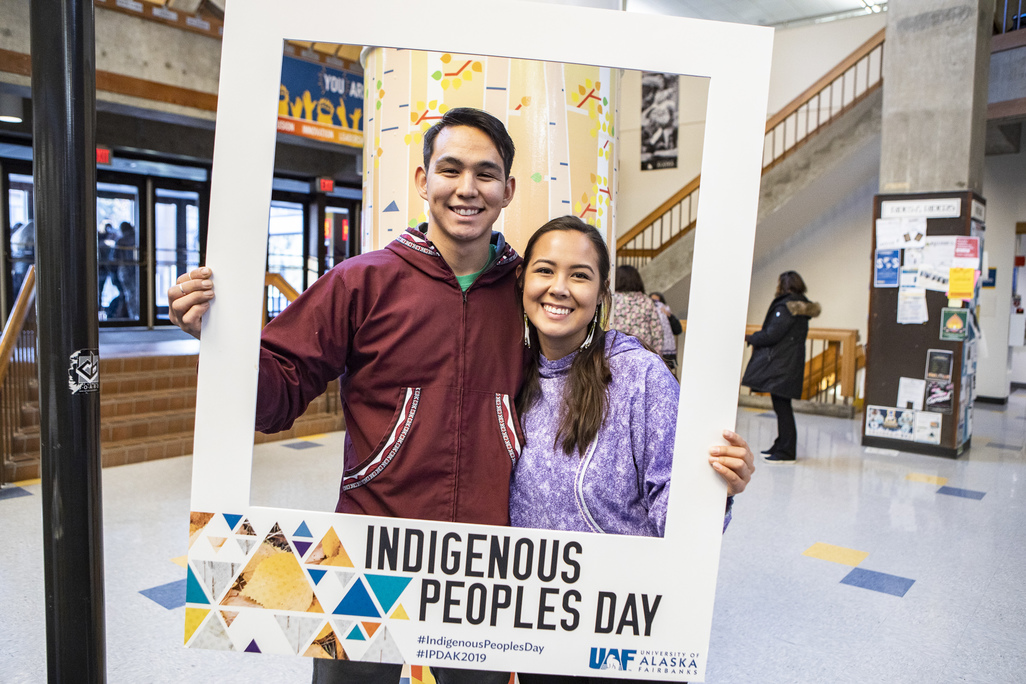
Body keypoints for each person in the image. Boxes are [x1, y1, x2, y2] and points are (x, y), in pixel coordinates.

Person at [169, 107, 523, 684]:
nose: (466, 189)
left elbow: (591, 397)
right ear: (421, 180)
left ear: (507, 189)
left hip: (484, 563)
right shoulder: (363, 282)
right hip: (366, 547)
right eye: (450, 169)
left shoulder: (529, 294)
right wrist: (220, 338)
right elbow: (277, 394)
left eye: (485, 174)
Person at [509, 217, 754, 683]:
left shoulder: (639, 377)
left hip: (625, 632)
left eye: (579, 275)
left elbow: (677, 510)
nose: (559, 288)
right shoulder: (508, 371)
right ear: (522, 282)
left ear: (601, 295)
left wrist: (715, 491)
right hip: (542, 630)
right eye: (545, 270)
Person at [741, 271, 820, 464]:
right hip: (790, 362)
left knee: (783, 408)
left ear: (783, 286)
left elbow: (772, 334)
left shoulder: (785, 307)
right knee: (782, 406)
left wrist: (752, 338)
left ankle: (786, 451)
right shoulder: (801, 308)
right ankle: (781, 444)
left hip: (781, 363)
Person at [610, 265, 669, 355]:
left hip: (616, 351)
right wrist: (656, 355)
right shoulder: (646, 301)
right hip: (642, 352)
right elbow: (657, 332)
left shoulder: (612, 300)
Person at [650, 291, 682, 373]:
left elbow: (678, 330)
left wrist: (670, 317)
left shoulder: (668, 315)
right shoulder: (647, 314)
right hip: (651, 351)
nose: (656, 305)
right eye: (653, 302)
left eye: (658, 302)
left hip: (667, 354)